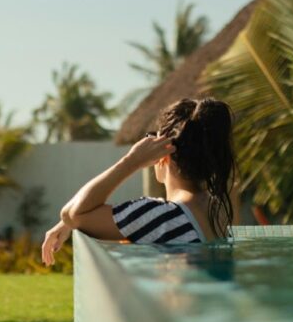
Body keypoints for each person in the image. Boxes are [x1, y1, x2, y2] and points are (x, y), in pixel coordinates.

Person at [41, 98, 237, 265]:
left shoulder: (159, 217)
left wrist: (131, 161)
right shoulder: (216, 209)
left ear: (163, 154)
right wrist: (67, 224)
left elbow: (71, 213)